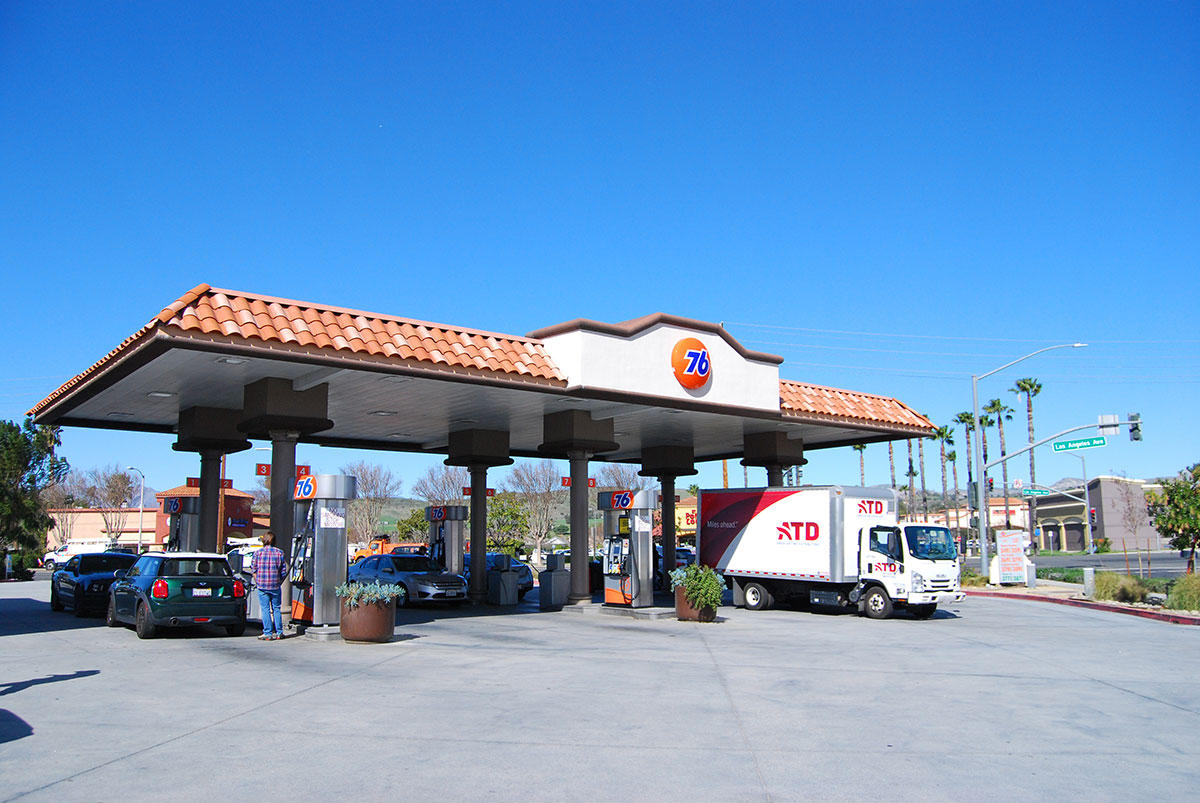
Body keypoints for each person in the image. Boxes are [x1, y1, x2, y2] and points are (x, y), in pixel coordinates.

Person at [249, 531, 287, 641]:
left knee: (265, 609)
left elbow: (253, 569)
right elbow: (283, 571)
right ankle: (279, 632)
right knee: (276, 608)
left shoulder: (258, 553)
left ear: (263, 540)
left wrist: (258, 581)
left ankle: (268, 632)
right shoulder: (279, 553)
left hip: (262, 585)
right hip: (275, 585)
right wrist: (278, 581)